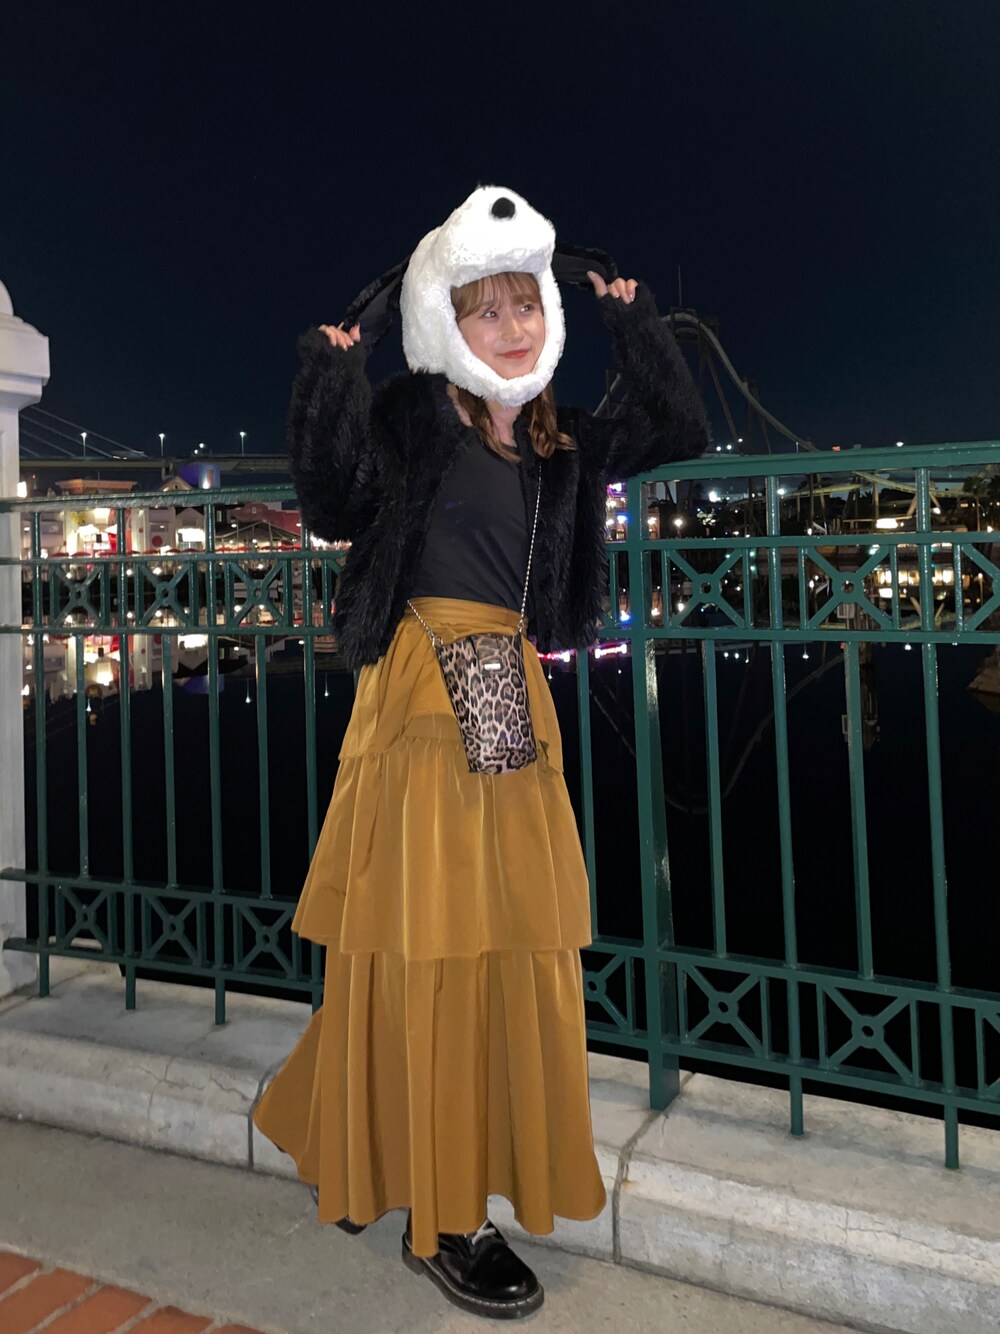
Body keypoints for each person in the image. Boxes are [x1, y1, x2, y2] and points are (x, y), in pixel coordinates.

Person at [253, 185, 709, 1319]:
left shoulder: (559, 437)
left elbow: (678, 429)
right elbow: (332, 497)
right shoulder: (416, 419)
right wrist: (330, 374)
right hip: (421, 701)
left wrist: (632, 319)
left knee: (502, 948)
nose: (510, 328)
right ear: (445, 324)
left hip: (509, 699)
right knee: (432, 951)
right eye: (485, 309)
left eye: (525, 305)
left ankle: (381, 1152)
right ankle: (444, 1217)